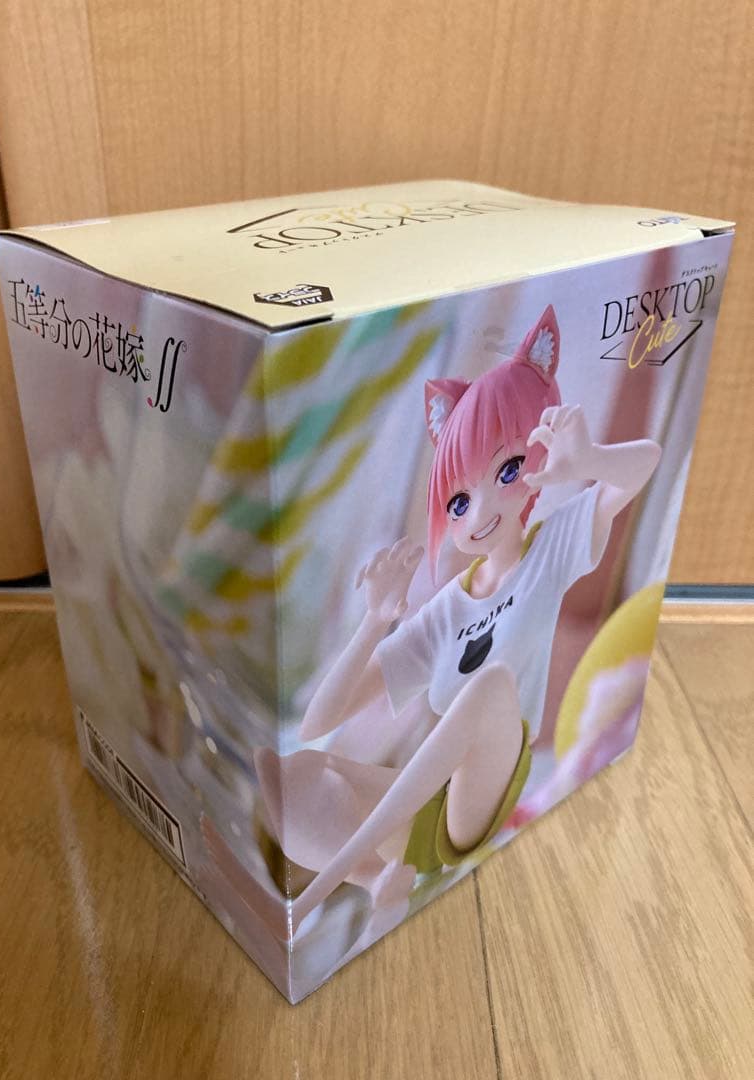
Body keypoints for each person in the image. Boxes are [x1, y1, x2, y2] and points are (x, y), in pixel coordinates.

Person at [250, 304, 661, 937]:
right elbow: (316, 724)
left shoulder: (548, 547)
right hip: (434, 811)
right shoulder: (446, 610)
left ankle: (313, 900)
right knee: (299, 770)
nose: (479, 511)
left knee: (487, 689)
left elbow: (646, 462)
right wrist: (374, 623)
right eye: (460, 500)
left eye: (507, 470)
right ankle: (372, 880)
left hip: (485, 791)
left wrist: (587, 461)